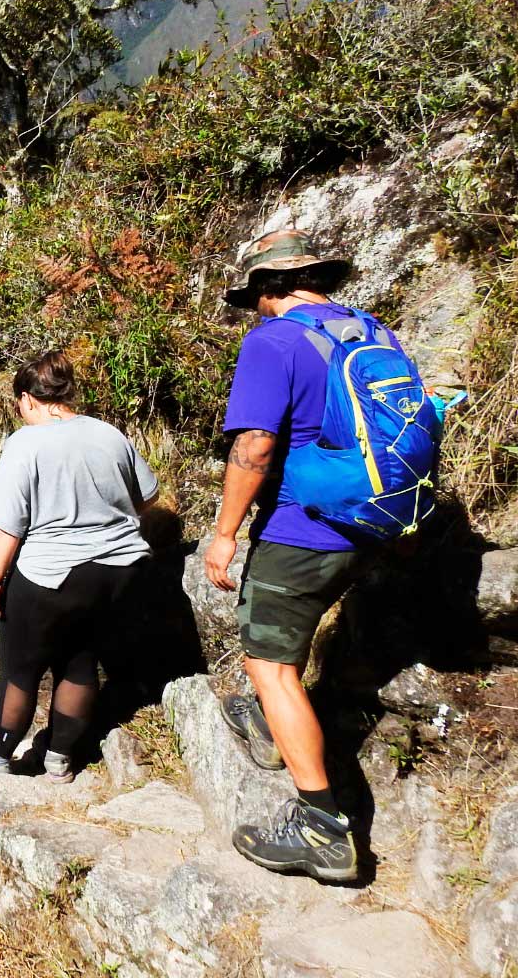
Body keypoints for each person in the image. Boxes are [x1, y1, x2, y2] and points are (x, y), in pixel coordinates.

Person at [205, 229, 375, 883]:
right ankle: (273, 716)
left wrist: (225, 533)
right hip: (379, 518)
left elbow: (254, 446)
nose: (254, 308)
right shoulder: (370, 331)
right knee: (282, 641)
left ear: (271, 289)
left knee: (269, 664)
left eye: (255, 296)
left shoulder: (274, 339)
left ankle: (322, 828)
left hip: (308, 524)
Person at [0, 351, 157, 782]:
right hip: (120, 571)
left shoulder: (27, 442)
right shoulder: (108, 434)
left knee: (20, 669)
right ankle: (61, 757)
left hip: (52, 573)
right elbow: (147, 496)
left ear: (27, 399)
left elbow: (5, 525)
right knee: (81, 664)